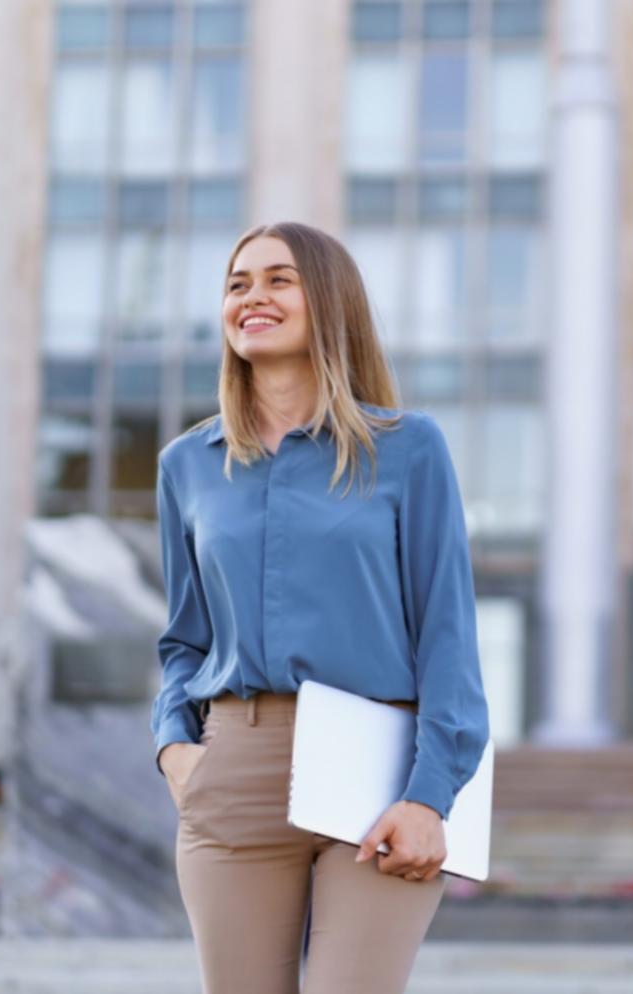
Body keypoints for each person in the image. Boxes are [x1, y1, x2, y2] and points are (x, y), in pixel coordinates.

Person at [149, 220, 491, 994]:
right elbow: (183, 642)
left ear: (329, 303)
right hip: (234, 765)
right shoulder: (187, 467)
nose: (252, 298)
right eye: (238, 284)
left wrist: (430, 794)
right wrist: (175, 751)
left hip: (381, 775)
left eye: (278, 279)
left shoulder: (408, 450)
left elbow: (447, 636)